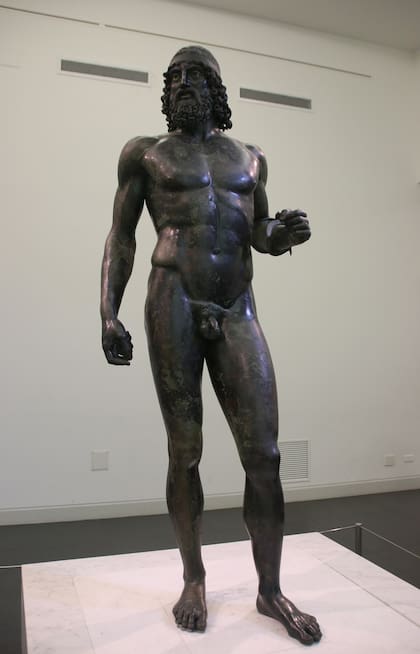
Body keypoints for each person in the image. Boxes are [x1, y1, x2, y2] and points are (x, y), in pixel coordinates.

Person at [100, 45, 321, 645]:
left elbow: (258, 233)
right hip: (172, 298)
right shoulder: (145, 153)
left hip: (238, 304)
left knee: (265, 454)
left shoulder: (250, 158)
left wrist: (283, 234)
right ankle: (193, 578)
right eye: (175, 76)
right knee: (186, 449)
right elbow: (121, 236)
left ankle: (270, 590)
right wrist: (108, 312)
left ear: (218, 90)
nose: (184, 83)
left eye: (197, 75)